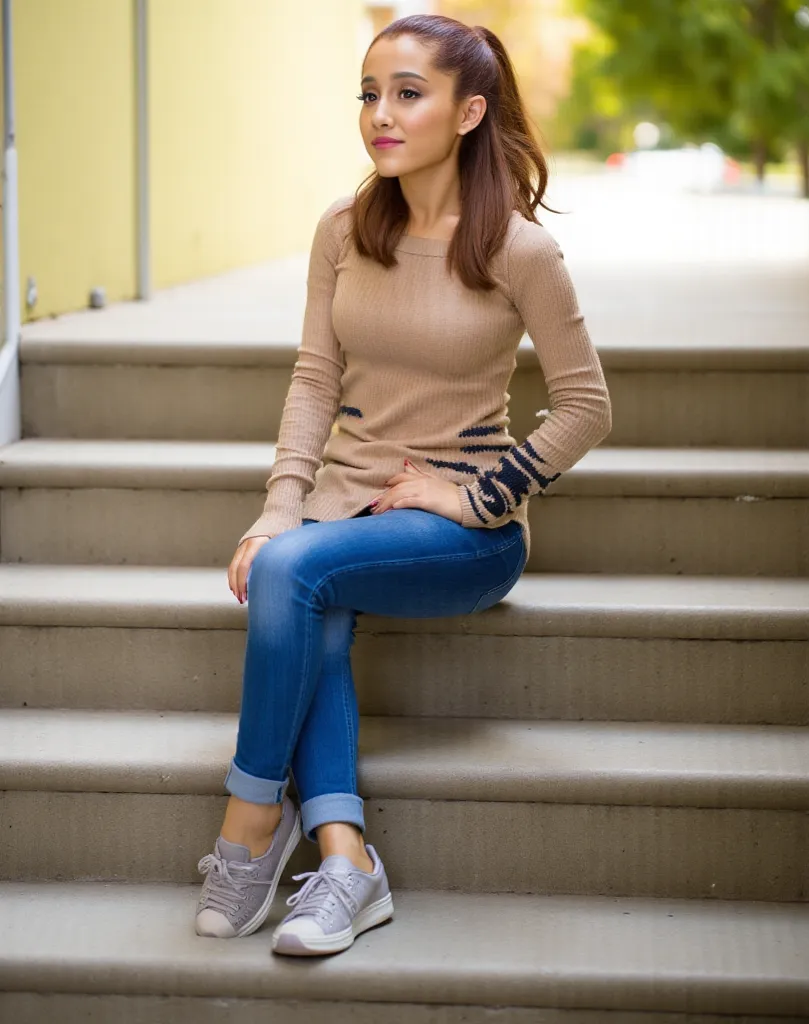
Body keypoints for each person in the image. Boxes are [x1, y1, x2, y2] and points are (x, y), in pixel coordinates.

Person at [194, 13, 612, 957]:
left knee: (292, 576)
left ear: (467, 113)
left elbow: (585, 407)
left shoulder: (519, 250)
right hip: (342, 509)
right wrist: (277, 507)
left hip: (463, 534)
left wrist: (474, 497)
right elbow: (314, 379)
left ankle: (247, 825)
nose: (380, 115)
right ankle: (347, 859)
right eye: (368, 94)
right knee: (303, 585)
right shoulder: (345, 230)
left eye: (406, 95)